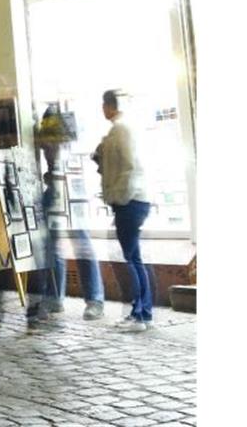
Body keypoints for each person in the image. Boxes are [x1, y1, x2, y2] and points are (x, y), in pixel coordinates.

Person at [35, 104, 105, 321]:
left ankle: (94, 299)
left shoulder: (70, 140)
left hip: (73, 194)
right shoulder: (48, 137)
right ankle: (56, 297)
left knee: (79, 243)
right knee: (54, 246)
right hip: (56, 191)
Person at [98, 90, 153, 332]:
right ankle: (142, 312)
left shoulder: (121, 129)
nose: (102, 110)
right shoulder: (120, 129)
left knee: (131, 259)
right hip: (132, 200)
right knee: (135, 258)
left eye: (104, 105)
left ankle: (140, 314)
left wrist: (119, 198)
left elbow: (130, 167)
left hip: (130, 202)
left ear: (108, 106)